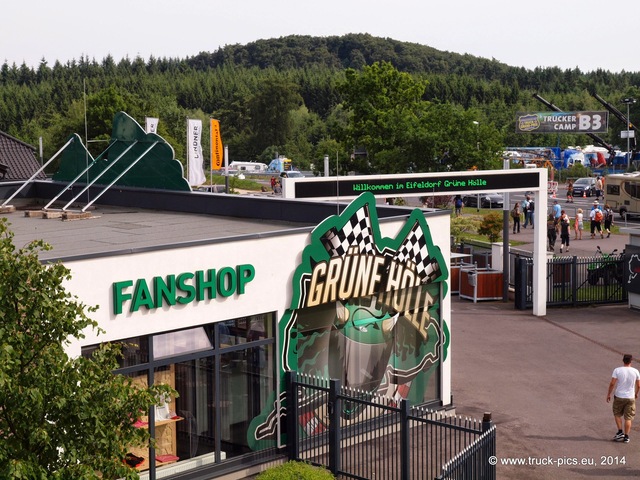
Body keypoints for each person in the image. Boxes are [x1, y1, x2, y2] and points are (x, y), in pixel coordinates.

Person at [607, 354, 640, 443]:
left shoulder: (617, 370)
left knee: (617, 413)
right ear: (631, 361)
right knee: (628, 417)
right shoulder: (636, 371)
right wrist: (636, 394)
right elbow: (638, 385)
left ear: (623, 360)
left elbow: (612, 383)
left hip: (619, 396)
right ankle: (626, 436)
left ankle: (620, 431)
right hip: (630, 397)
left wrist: (609, 394)